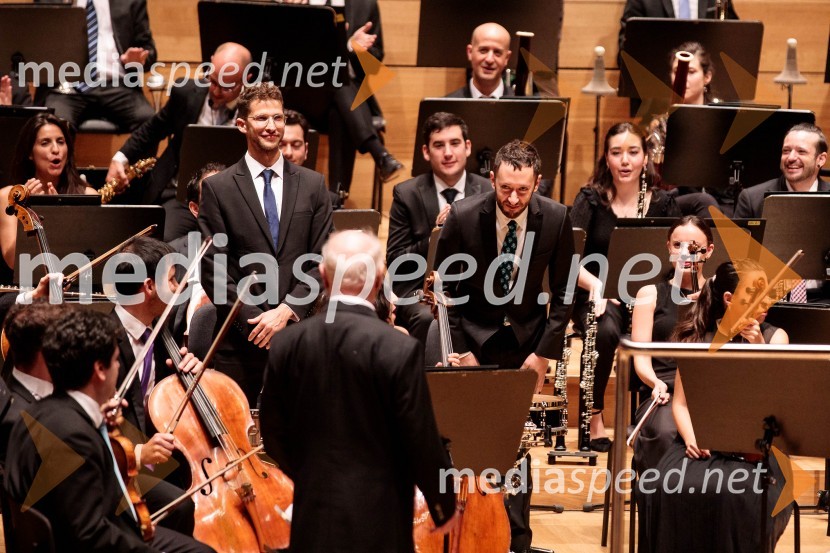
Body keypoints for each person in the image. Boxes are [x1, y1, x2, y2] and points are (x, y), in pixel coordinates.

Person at [260, 229, 456, 552]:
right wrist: (442, 505)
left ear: (323, 276)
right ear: (380, 279)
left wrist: (312, 472)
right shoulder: (400, 348)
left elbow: (273, 433)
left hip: (314, 514)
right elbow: (420, 440)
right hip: (381, 517)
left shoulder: (286, 343)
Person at [433, 139, 574, 552]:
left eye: (523, 191)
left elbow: (565, 291)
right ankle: (472, 533)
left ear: (537, 183)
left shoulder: (556, 217)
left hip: (528, 342)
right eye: (505, 189)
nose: (513, 200)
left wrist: (545, 351)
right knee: (470, 440)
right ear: (492, 178)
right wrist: (463, 350)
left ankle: (517, 539)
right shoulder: (461, 216)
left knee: (520, 441)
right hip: (473, 338)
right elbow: (446, 292)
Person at [4, 308, 214, 553]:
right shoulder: (74, 435)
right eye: (116, 360)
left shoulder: (42, 411)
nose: (118, 368)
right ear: (100, 370)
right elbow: (89, 535)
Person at [642, 259, 791, 552]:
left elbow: (777, 402)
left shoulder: (776, 337)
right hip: (701, 443)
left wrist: (760, 349)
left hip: (758, 449)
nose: (767, 302)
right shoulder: (696, 337)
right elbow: (682, 405)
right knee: (664, 487)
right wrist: (691, 438)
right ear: (729, 299)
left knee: (735, 497)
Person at [198, 82, 333, 404]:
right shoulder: (218, 189)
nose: (272, 127)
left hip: (301, 336)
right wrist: (259, 322)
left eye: (277, 118)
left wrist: (287, 311)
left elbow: (322, 260)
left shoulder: (314, 185)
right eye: (261, 119)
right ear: (242, 124)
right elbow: (214, 270)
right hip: (241, 342)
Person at [570, 122, 681, 451]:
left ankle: (657, 409)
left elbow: (675, 254)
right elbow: (569, 256)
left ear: (645, 157)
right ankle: (594, 414)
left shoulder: (663, 202)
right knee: (604, 331)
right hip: (598, 295)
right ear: (606, 158)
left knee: (671, 323)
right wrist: (598, 286)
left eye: (633, 152)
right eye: (616, 153)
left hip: (649, 297)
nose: (625, 160)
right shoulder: (590, 199)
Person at [106, 42, 252, 241]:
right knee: (165, 244)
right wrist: (120, 157)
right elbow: (153, 129)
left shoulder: (255, 109)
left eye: (226, 87)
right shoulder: (186, 92)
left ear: (247, 78)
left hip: (232, 201)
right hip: (182, 197)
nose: (216, 91)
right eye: (213, 81)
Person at [386, 111, 487, 344]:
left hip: (475, 288)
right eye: (439, 145)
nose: (448, 153)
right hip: (419, 291)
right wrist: (438, 233)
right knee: (428, 318)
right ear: (426, 152)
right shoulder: (406, 193)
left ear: (468, 147)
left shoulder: (487, 191)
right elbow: (395, 260)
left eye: (455, 143)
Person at [630, 216, 714, 472]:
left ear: (709, 251)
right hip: (663, 390)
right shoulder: (650, 294)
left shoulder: (720, 293)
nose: (685, 252)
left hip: (708, 390)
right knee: (666, 433)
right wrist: (654, 383)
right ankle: (661, 504)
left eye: (694, 246)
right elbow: (641, 356)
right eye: (678, 245)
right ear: (669, 247)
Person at [0, 113, 97, 281]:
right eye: (45, 143)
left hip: (75, 285)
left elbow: (92, 257)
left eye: (61, 142)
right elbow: (13, 262)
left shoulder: (89, 195)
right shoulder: (8, 196)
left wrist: (58, 217)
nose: (56, 149)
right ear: (30, 153)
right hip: (26, 288)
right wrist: (32, 212)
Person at [36, 0, 157, 132]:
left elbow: (148, 51)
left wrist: (135, 60)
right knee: (54, 123)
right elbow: (37, 43)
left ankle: (126, 154)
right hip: (67, 87)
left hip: (116, 86)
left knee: (148, 121)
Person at [645, 42, 721, 217]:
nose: (683, 77)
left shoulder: (720, 119)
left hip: (719, 200)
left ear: (707, 77)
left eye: (691, 72)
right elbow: (656, 179)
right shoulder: (661, 124)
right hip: (677, 201)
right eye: (676, 71)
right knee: (704, 202)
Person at [734, 123, 828, 218]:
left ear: (821, 159)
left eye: (801, 151)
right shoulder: (751, 199)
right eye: (786, 151)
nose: (791, 158)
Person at [447, 23, 513, 99]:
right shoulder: (445, 107)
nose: (489, 59)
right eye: (483, 50)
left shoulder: (526, 108)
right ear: (470, 52)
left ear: (507, 58)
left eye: (497, 52)